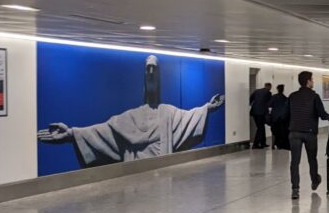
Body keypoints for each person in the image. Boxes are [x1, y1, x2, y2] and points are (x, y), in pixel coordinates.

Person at [37, 54, 224, 165]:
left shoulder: (169, 113)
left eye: (154, 70)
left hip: (164, 178)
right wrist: (71, 134)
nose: (151, 73)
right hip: (135, 178)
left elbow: (189, 117)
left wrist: (208, 108)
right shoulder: (129, 117)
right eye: (147, 70)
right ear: (143, 77)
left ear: (159, 77)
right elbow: (102, 132)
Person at [288, 71, 329, 199]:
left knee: (294, 162)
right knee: (312, 159)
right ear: (308, 81)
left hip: (294, 132)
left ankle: (295, 189)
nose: (313, 82)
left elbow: (286, 114)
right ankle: (315, 180)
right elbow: (321, 113)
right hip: (309, 133)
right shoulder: (314, 96)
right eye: (312, 80)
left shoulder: (292, 96)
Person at [249, 82, 272, 149]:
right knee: (260, 128)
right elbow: (269, 103)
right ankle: (255, 144)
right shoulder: (268, 93)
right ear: (269, 87)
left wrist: (252, 105)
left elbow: (250, 98)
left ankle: (263, 143)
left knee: (261, 127)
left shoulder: (256, 91)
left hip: (254, 112)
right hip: (261, 113)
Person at [269, 84, 290, 150]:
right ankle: (279, 145)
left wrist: (270, 115)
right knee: (281, 131)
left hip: (275, 117)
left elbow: (269, 106)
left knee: (274, 131)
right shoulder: (285, 98)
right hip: (283, 118)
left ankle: (273, 144)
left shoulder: (273, 97)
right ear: (283, 90)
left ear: (277, 89)